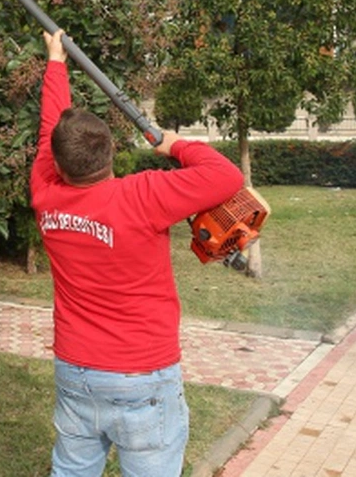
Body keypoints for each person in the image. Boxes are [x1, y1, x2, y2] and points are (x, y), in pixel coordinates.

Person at [32, 29, 245, 477]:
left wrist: (55, 63)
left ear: (58, 163)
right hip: (142, 374)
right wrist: (174, 144)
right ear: (111, 150)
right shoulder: (142, 196)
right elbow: (225, 176)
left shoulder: (45, 194)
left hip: (76, 371)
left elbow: (50, 130)